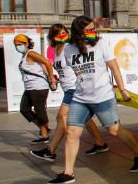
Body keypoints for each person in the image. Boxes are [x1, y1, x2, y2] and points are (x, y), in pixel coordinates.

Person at [47, 17, 138, 184]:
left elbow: (114, 67)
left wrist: (123, 90)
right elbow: (76, 72)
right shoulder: (69, 49)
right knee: (72, 132)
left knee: (114, 130)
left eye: (93, 29)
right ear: (79, 32)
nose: (93, 32)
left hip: (102, 96)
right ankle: (67, 173)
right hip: (80, 98)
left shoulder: (101, 44)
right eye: (88, 29)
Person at [31, 24, 107, 163]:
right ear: (53, 37)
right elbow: (63, 70)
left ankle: (51, 151)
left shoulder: (69, 48)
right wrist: (55, 78)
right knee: (86, 119)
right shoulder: (55, 50)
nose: (62, 36)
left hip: (75, 88)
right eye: (58, 34)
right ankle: (100, 144)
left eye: (64, 33)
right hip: (67, 88)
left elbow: (84, 63)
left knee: (62, 117)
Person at [14, 33, 57, 144]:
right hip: (29, 87)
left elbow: (47, 62)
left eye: (20, 44)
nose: (17, 46)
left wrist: (51, 79)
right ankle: (44, 128)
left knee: (39, 110)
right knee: (24, 109)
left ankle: (44, 135)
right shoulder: (24, 56)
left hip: (38, 87)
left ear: (26, 43)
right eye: (16, 45)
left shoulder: (31, 53)